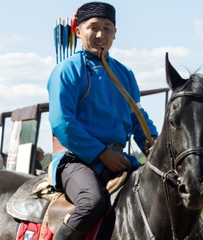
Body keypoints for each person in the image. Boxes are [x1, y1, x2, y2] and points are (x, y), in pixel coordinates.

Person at [47, 2, 158, 239]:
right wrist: (100, 153)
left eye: (107, 28)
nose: (100, 34)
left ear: (115, 34)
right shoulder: (67, 70)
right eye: (93, 27)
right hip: (76, 159)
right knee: (92, 202)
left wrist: (152, 142)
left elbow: (137, 117)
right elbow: (62, 122)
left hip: (119, 158)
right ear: (78, 32)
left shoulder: (125, 74)